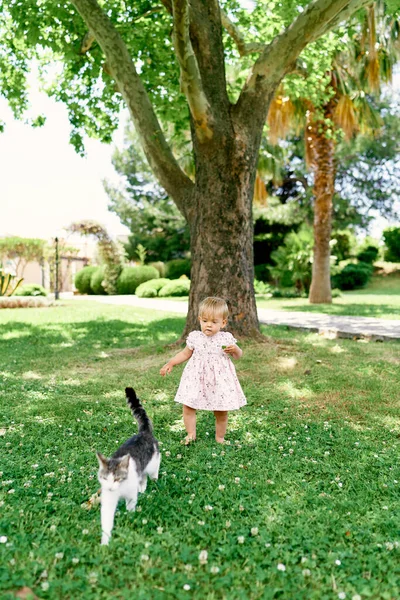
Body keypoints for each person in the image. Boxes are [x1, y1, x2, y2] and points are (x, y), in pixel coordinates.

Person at [160, 296, 246, 444]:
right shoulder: (195, 337)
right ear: (199, 319)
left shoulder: (226, 338)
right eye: (205, 321)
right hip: (196, 377)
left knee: (221, 410)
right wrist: (171, 363)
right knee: (188, 405)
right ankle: (190, 434)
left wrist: (236, 349)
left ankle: (220, 437)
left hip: (218, 380)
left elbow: (238, 356)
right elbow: (185, 353)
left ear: (223, 323)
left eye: (214, 322)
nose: (208, 325)